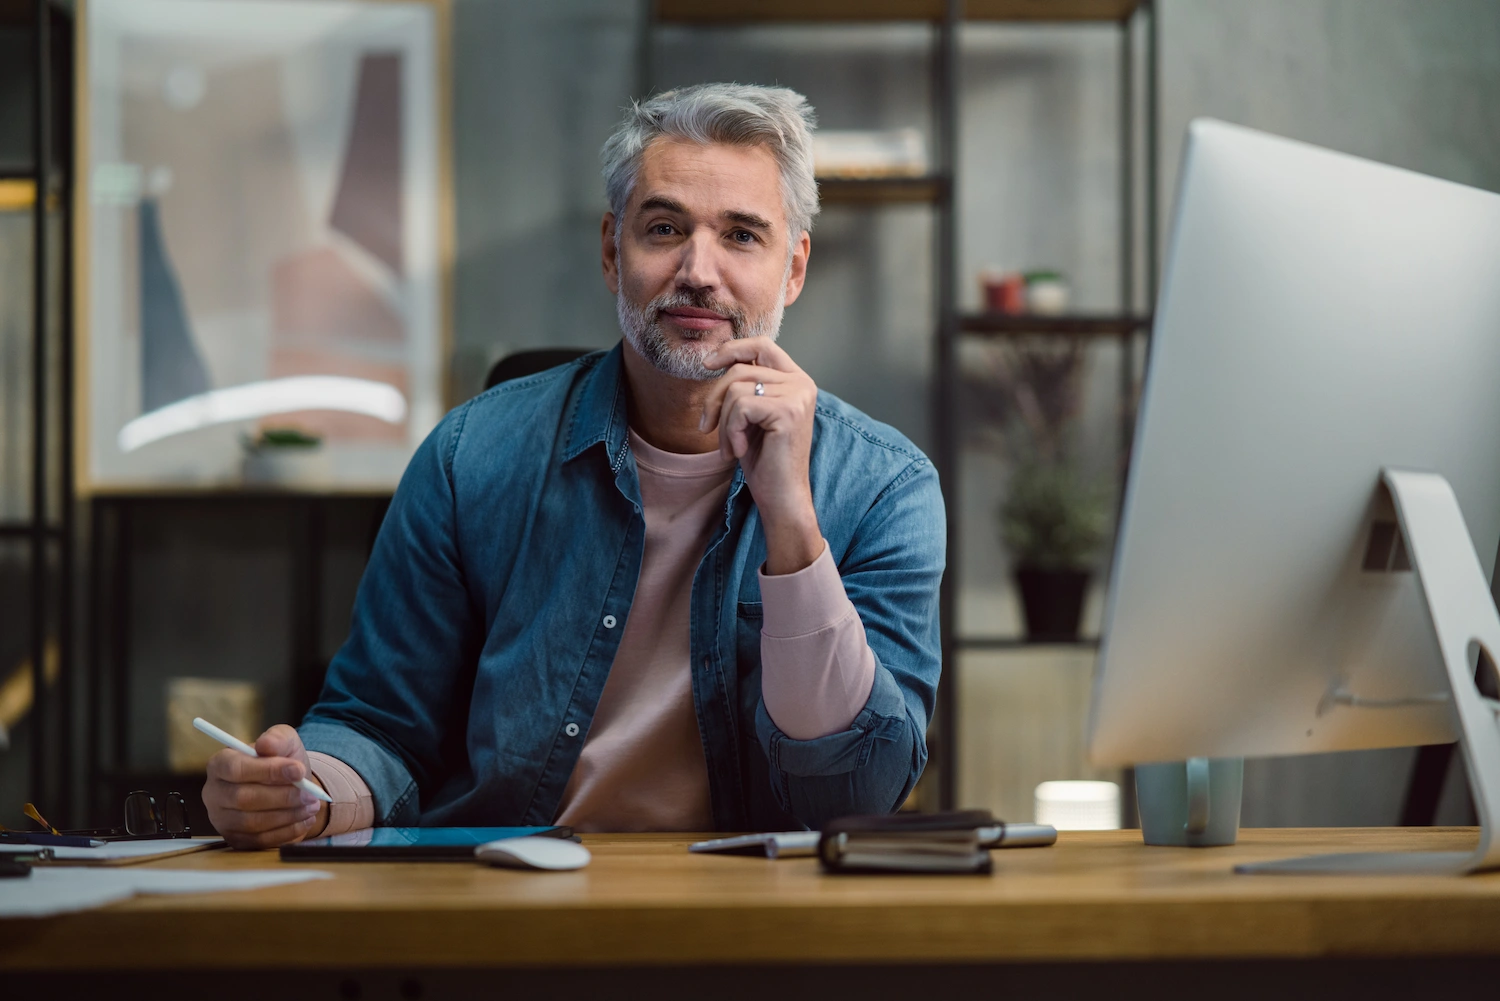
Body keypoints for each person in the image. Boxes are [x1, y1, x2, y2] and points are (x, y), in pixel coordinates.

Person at [203, 83, 945, 848]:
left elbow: (858, 792)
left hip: (749, 916)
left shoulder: (885, 487)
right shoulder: (469, 457)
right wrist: (305, 792)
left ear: (792, 270)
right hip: (506, 904)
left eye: (741, 236)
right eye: (664, 228)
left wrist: (790, 518)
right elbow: (381, 726)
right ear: (610, 251)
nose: (698, 270)